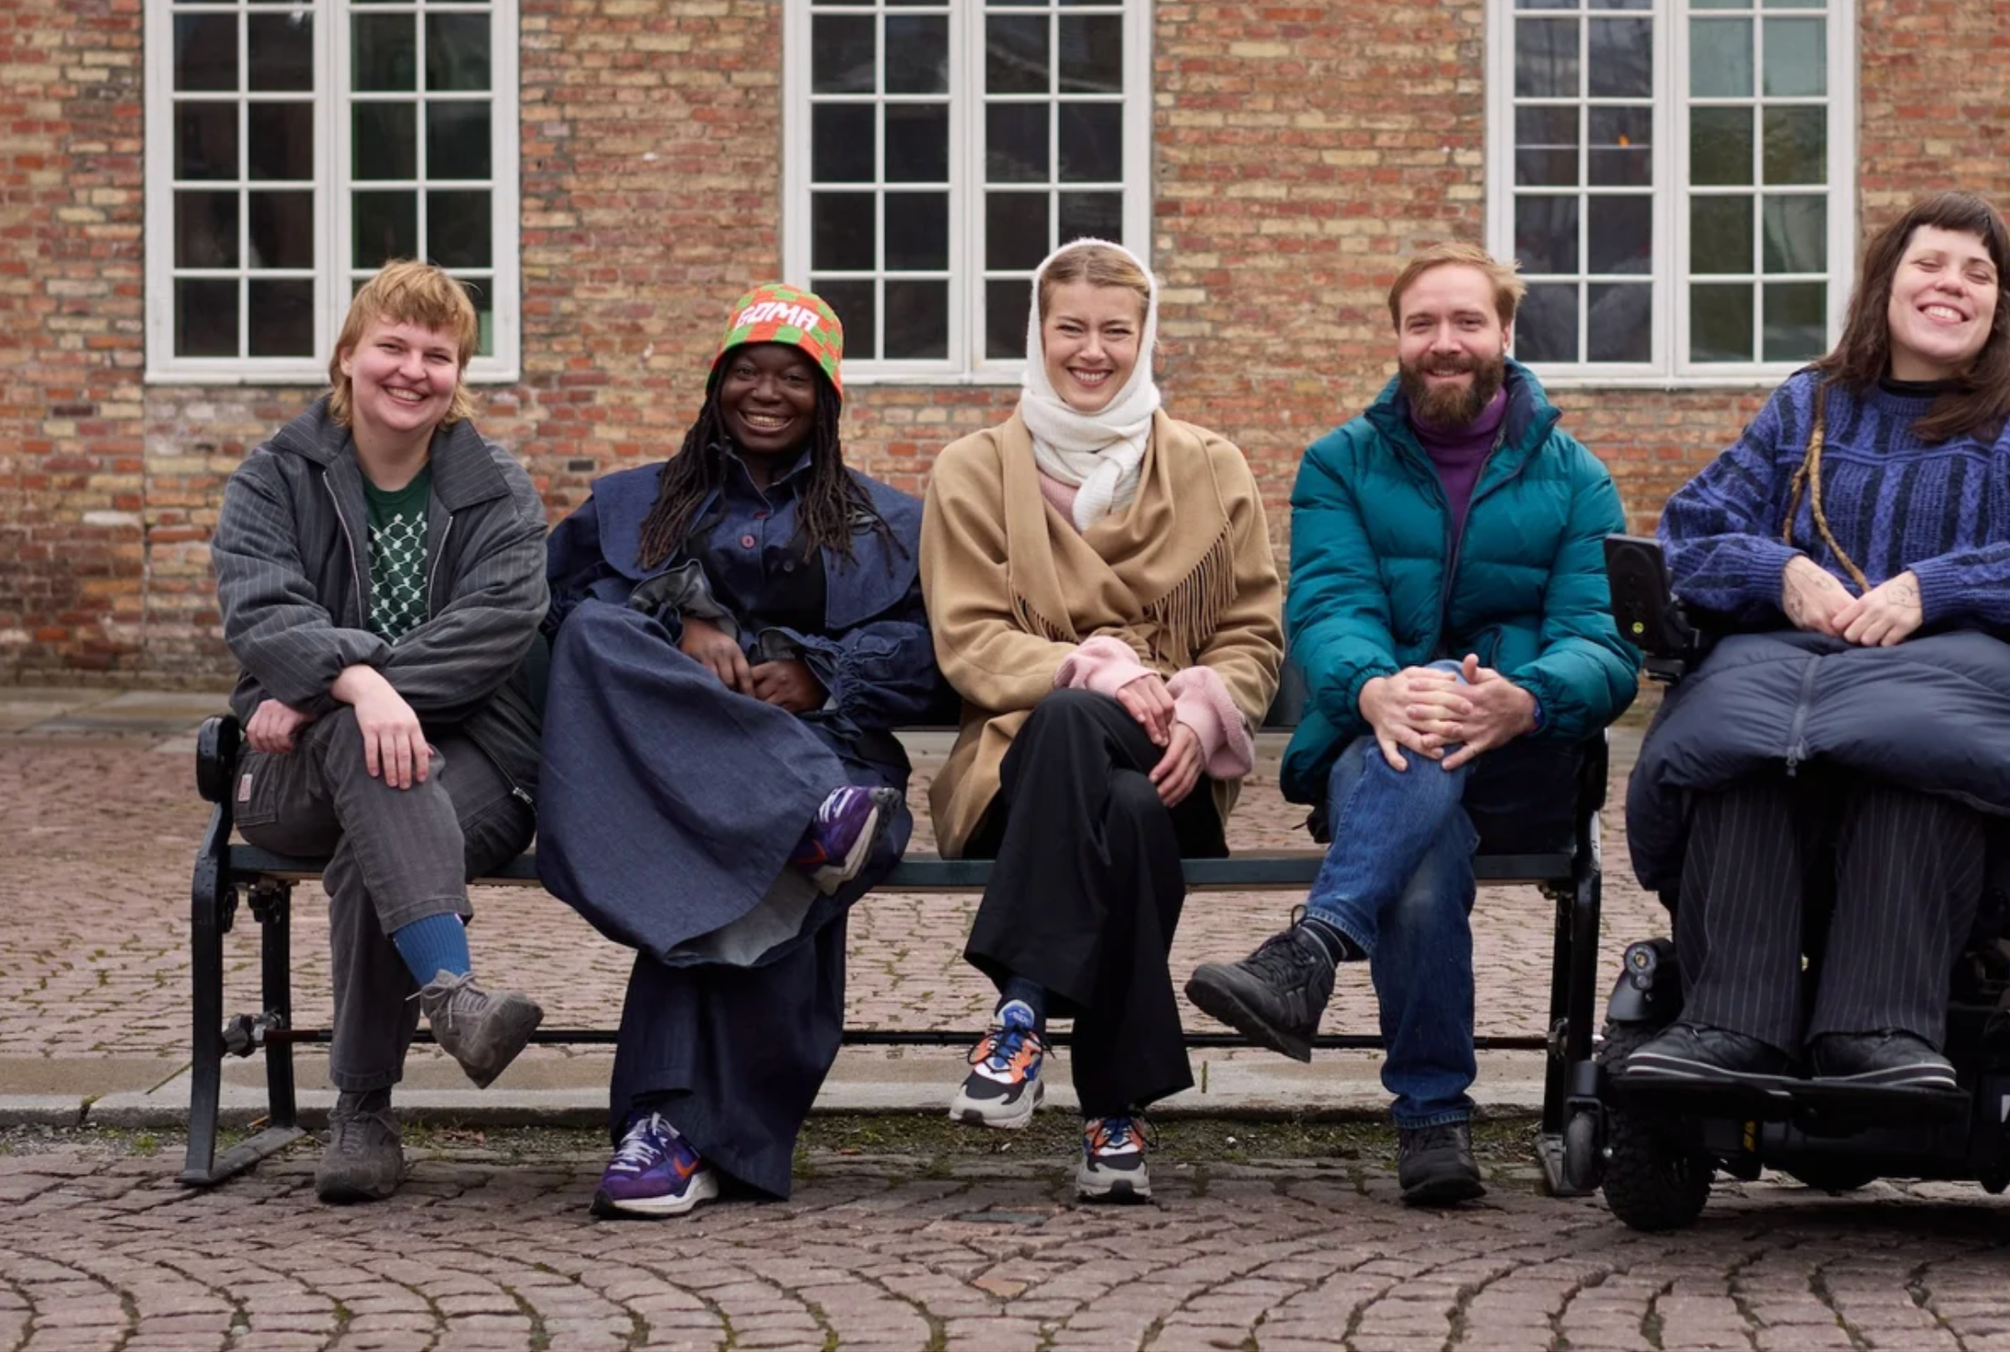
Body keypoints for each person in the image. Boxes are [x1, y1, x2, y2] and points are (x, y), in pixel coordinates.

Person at [1623, 191, 2010, 1090]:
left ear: (2002, 303)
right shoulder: (1810, 406)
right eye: (1929, 264)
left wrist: (1933, 590)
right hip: (1797, 682)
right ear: (1885, 285)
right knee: (1743, 743)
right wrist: (1779, 571)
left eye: (1978, 274)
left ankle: (1878, 1029)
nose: (1952, 285)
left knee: (1905, 744)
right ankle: (1728, 1025)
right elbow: (1689, 535)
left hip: (1966, 691)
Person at [1184, 242, 1641, 1207]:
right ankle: (1432, 1120)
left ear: (1505, 333)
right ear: (1396, 337)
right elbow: (1329, 609)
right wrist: (1373, 688)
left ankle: (1318, 953)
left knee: (1434, 707)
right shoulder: (1339, 464)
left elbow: (1601, 642)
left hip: (1522, 765)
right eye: (1422, 323)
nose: (1445, 342)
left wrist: (1525, 697)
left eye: (1467, 321)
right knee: (1423, 851)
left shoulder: (1577, 478)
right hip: (1378, 747)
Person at [540, 285, 935, 1219]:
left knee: (743, 866)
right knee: (602, 635)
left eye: (792, 377)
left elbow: (938, 658)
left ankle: (663, 1132)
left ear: (826, 397)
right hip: (679, 772)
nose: (765, 392)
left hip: (837, 763)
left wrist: (820, 674)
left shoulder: (888, 522)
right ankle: (796, 815)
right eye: (746, 371)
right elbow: (564, 616)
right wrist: (677, 626)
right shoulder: (635, 504)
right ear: (716, 384)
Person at [920, 239, 1285, 1204]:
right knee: (1100, 768)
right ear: (1036, 334)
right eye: (1070, 329)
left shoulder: (1212, 467)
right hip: (1017, 777)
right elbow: (968, 639)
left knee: (1129, 786)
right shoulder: (972, 470)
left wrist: (1200, 715)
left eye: (1115, 331)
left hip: (1176, 767)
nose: (1093, 351)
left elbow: (1252, 634)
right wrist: (1094, 667)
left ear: (1145, 336)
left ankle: (1021, 1014)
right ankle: (1112, 1112)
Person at [211, 260, 550, 1205]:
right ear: (347, 358)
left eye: (437, 355)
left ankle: (362, 1113)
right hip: (287, 776)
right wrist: (358, 686)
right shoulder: (274, 476)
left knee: (378, 823)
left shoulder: (496, 489)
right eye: (392, 347)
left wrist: (329, 688)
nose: (412, 370)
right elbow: (260, 610)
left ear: (458, 376)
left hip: (478, 761)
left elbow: (499, 626)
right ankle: (452, 995)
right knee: (369, 750)